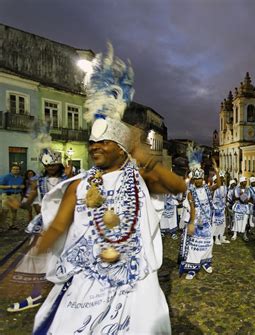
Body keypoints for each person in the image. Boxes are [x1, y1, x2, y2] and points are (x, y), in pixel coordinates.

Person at [32, 45, 185, 334]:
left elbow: (177, 186)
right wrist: (35, 255)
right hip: (86, 285)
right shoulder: (78, 184)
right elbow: (58, 227)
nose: (95, 148)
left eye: (104, 143)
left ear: (120, 148)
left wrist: (143, 156)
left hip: (133, 284)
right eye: (92, 144)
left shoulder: (141, 177)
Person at [6, 150, 72, 313]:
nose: (50, 167)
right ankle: (36, 295)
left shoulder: (70, 180)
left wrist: (70, 177)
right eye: (47, 165)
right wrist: (19, 204)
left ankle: (66, 295)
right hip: (45, 226)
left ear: (59, 164)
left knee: (65, 259)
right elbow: (28, 202)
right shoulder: (37, 181)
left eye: (53, 164)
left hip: (67, 224)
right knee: (39, 260)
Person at [178, 146, 220, 279]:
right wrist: (191, 222)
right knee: (195, 245)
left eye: (200, 179)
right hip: (197, 221)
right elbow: (193, 208)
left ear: (203, 178)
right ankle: (192, 267)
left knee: (208, 243)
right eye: (196, 179)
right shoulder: (191, 192)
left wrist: (217, 170)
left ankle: (206, 262)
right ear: (193, 180)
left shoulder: (208, 189)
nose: (198, 181)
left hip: (207, 222)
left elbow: (218, 184)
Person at [0, 164, 24, 231]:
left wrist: (22, 187)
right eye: (14, 169)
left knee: (14, 211)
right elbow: (1, 186)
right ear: (11, 170)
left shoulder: (20, 177)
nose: (15, 170)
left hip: (17, 195)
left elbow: (22, 185)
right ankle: (1, 226)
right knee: (5, 211)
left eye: (17, 169)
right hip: (7, 195)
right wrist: (10, 186)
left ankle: (12, 225)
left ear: (19, 170)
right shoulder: (5, 177)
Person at [212, 172, 230, 245]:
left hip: (222, 208)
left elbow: (225, 198)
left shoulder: (225, 187)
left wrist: (225, 206)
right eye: (220, 178)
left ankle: (221, 237)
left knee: (222, 223)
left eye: (222, 178)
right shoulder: (214, 188)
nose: (222, 179)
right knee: (216, 223)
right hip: (216, 209)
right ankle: (216, 238)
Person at [232, 177, 250, 241]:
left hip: (245, 208)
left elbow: (247, 200)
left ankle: (245, 235)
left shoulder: (248, 189)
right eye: (244, 181)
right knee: (236, 221)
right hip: (238, 208)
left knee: (245, 222)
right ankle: (235, 234)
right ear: (241, 182)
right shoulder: (236, 189)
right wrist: (243, 197)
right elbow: (235, 197)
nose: (245, 183)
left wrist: (241, 196)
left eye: (246, 181)